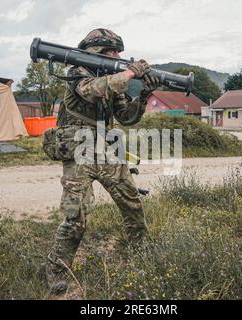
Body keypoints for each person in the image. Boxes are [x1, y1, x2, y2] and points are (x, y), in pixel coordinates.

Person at [44, 28, 159, 294]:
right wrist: (129, 73)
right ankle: (55, 269)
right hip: (79, 152)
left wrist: (142, 96)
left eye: (119, 51)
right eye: (112, 52)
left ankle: (140, 252)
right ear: (95, 52)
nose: (118, 56)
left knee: (131, 202)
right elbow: (91, 91)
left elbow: (127, 117)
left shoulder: (113, 81)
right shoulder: (78, 72)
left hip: (106, 150)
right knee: (77, 216)